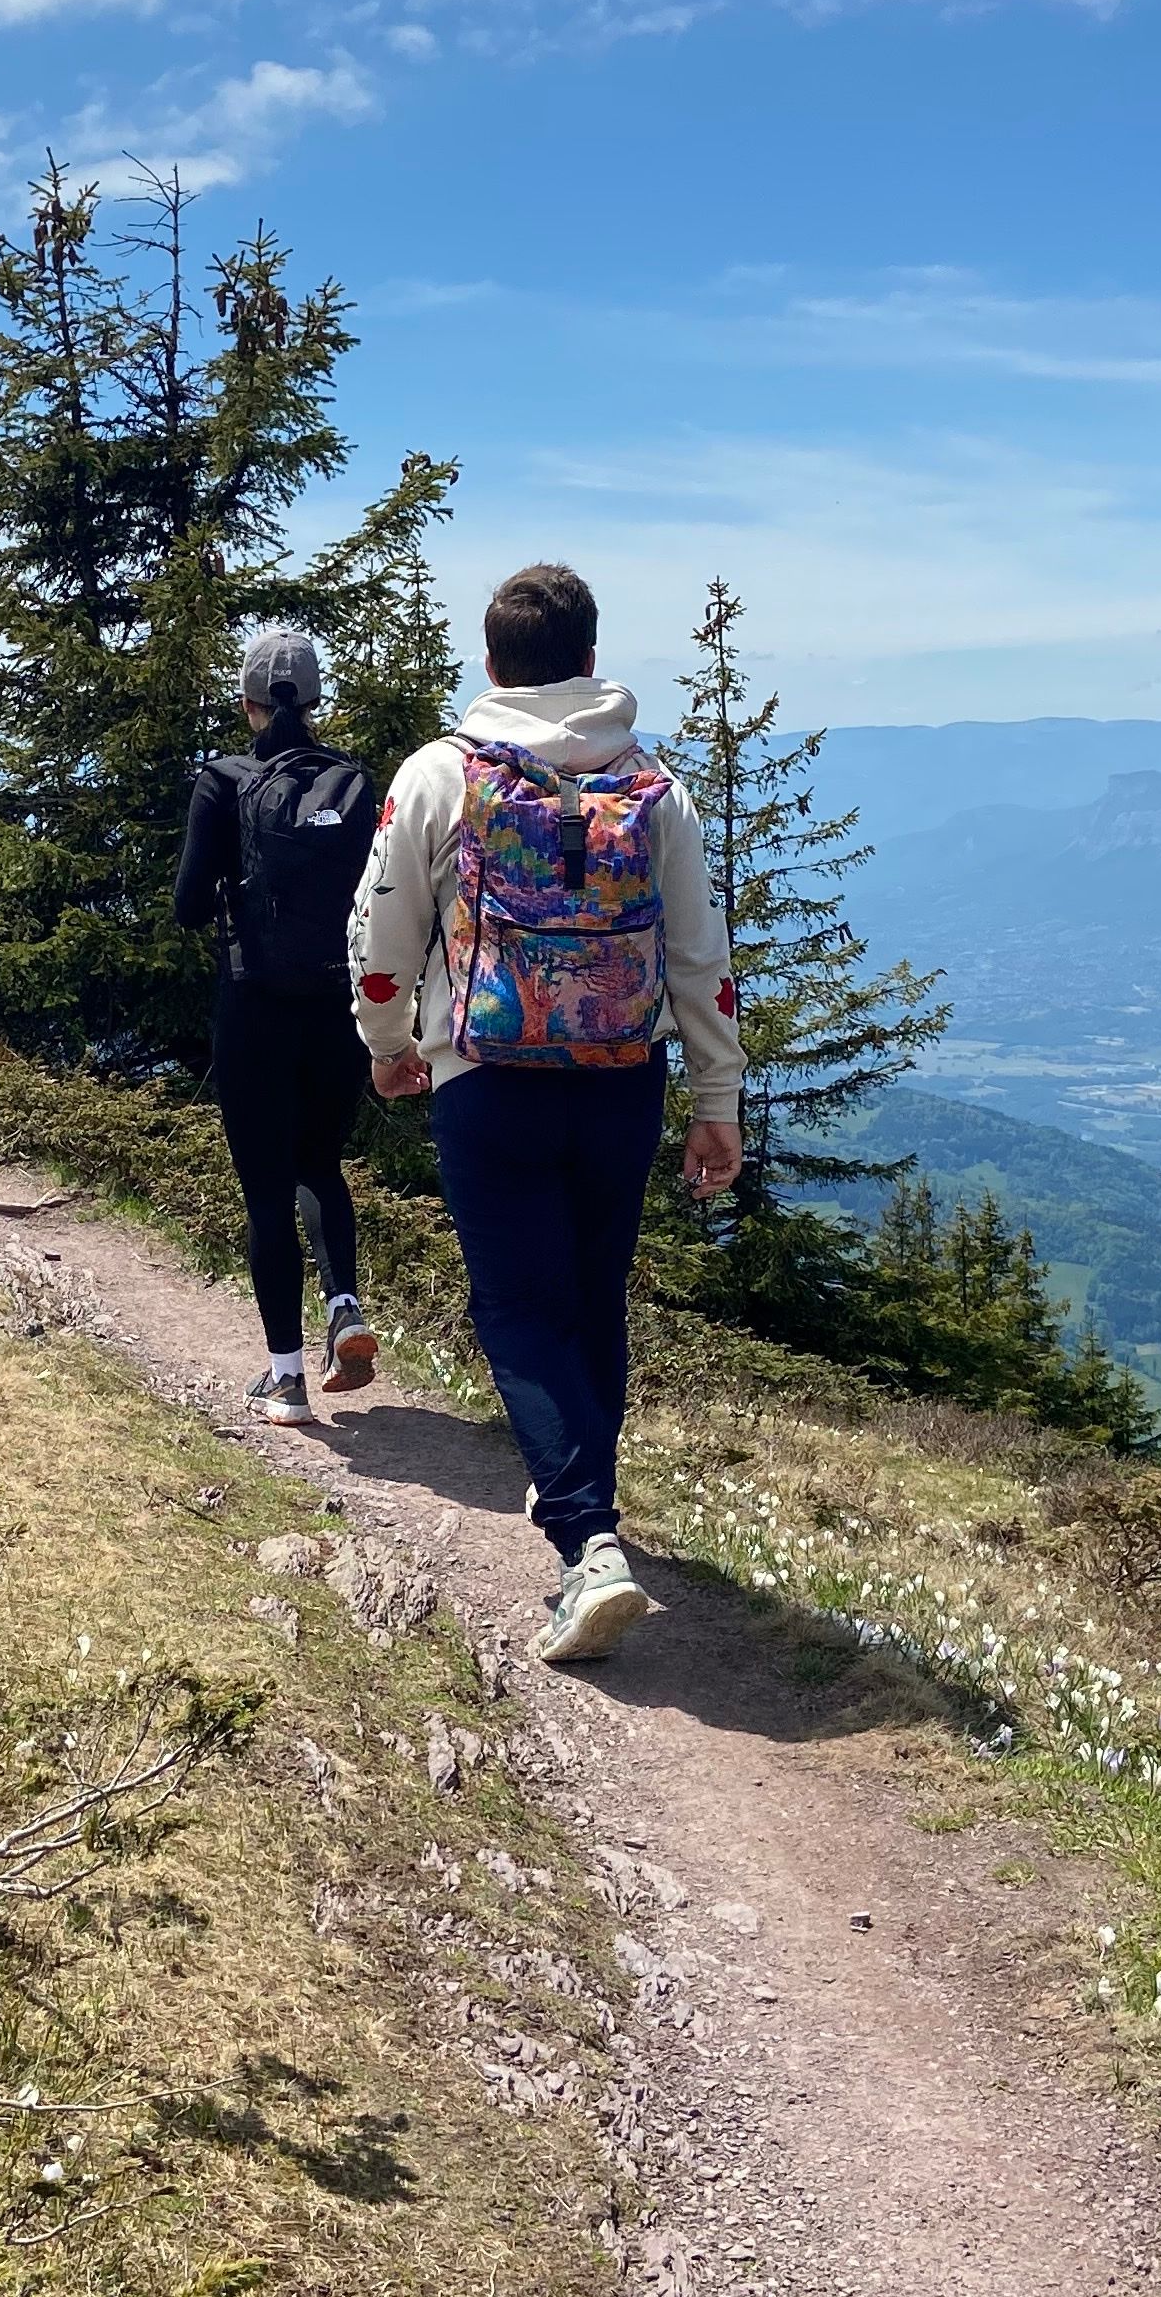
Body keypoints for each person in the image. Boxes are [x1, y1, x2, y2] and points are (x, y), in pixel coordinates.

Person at [346, 559, 745, 1666]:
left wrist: (387, 1045)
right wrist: (717, 1098)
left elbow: (381, 930)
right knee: (591, 1295)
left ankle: (585, 1540)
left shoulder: (440, 774)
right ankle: (588, 1508)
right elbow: (701, 955)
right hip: (622, 1075)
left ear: (490, 664)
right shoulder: (652, 785)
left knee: (518, 1310)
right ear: (590, 658)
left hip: (486, 1077)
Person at [174, 626, 380, 1425]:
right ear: (316, 699)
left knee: (265, 1189)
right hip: (336, 1008)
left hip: (254, 1004)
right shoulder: (352, 783)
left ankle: (286, 1379)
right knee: (319, 1165)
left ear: (247, 703)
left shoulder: (223, 781)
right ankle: (345, 1305)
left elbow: (190, 908)